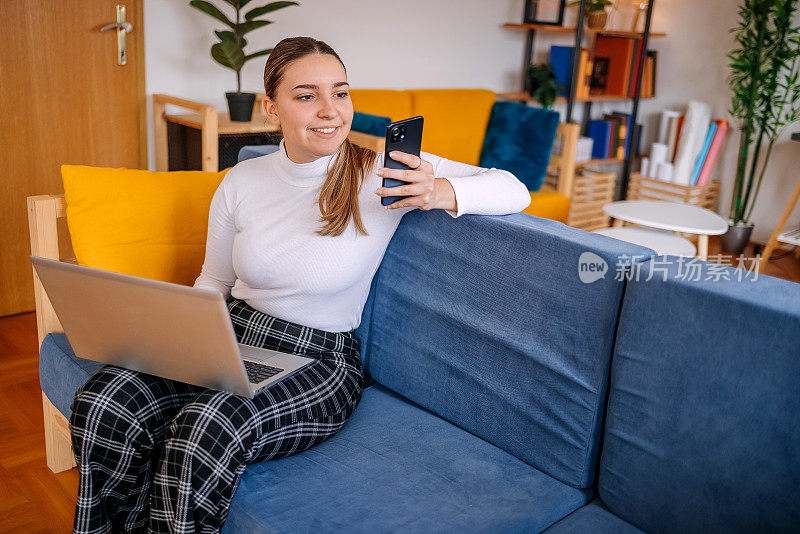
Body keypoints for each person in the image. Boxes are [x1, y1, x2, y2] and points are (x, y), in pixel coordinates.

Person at [68, 36, 531, 534]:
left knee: (206, 428)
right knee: (103, 401)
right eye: (307, 95)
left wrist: (440, 190)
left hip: (319, 360)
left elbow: (515, 189)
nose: (330, 110)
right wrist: (181, 343)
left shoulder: (382, 172)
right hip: (233, 336)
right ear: (272, 108)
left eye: (342, 93)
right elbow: (215, 280)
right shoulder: (242, 181)